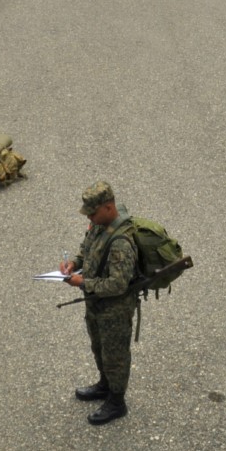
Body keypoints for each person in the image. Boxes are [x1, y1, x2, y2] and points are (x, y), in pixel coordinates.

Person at [59, 183, 139, 426]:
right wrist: (74, 263)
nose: (90, 218)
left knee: (115, 354)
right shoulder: (98, 224)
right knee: (99, 347)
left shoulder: (121, 242)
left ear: (108, 207)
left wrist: (84, 283)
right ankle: (105, 385)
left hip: (114, 309)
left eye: (93, 213)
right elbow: (88, 249)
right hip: (95, 303)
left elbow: (118, 285)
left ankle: (117, 402)